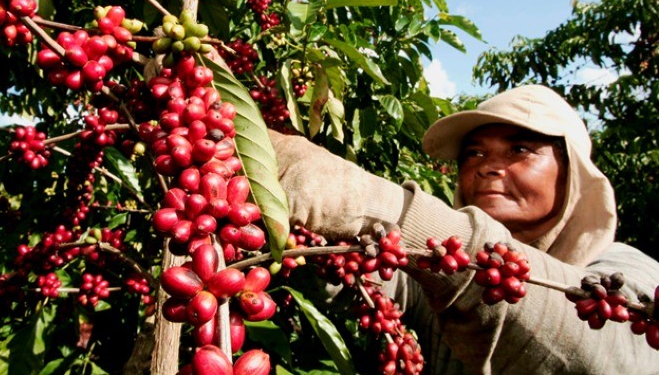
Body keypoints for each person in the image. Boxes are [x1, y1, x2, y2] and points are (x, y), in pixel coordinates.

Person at [268, 84, 659, 374]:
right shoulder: (433, 274)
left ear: (571, 172)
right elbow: (365, 281)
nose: (487, 166)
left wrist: (377, 205)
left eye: (520, 149)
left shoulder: (632, 275)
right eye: (474, 152)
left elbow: (605, 349)